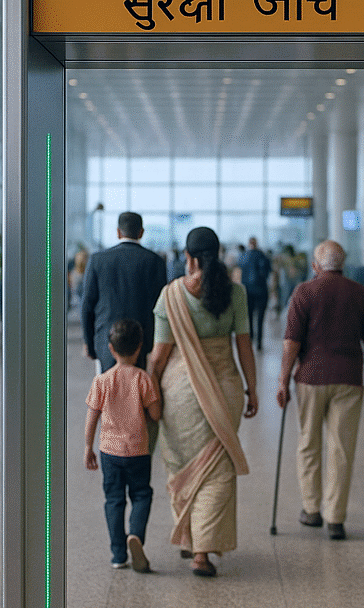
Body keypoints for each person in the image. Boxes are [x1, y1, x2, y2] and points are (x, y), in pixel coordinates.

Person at [146, 226, 259, 577]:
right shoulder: (236, 293)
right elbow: (244, 348)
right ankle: (202, 552)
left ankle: (191, 540)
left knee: (183, 465)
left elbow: (159, 356)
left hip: (179, 391)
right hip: (225, 389)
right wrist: (252, 390)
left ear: (190, 257)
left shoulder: (171, 296)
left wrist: (150, 391)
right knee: (217, 468)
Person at [276, 240, 364, 540]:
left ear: (315, 265)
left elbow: (291, 343)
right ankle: (335, 519)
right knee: (341, 449)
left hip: (310, 379)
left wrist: (283, 380)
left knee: (308, 443)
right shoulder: (358, 293)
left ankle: (311, 510)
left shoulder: (304, 292)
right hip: (348, 380)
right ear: (343, 264)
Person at [84, 319, 162, 572]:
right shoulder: (143, 378)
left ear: (110, 348)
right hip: (139, 450)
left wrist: (88, 447)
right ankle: (136, 535)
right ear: (139, 348)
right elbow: (156, 414)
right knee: (141, 495)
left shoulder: (102, 381)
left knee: (114, 501)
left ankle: (118, 555)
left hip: (109, 452)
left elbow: (92, 415)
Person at [81, 211, 167, 372]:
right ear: (141, 232)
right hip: (143, 343)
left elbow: (87, 305)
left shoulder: (97, 260)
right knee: (139, 392)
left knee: (107, 390)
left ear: (118, 232)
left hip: (106, 341)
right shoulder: (155, 261)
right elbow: (161, 307)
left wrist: (89, 343)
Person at [239, 236, 271, 350]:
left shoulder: (243, 256)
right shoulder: (262, 256)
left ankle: (251, 338)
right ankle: (259, 342)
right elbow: (267, 272)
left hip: (247, 291)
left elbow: (240, 271)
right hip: (261, 290)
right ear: (256, 243)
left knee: (249, 317)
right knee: (260, 318)